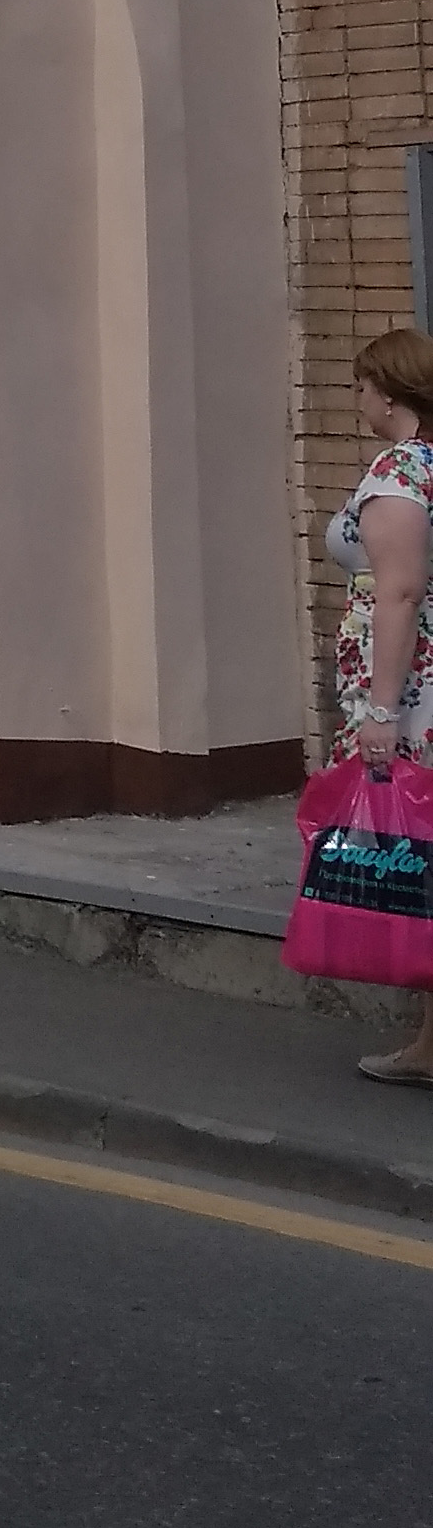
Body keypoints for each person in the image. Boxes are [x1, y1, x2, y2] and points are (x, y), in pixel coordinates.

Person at [326, 330, 433, 1085]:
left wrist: (383, 712)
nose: (358, 400)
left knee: (421, 861)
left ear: (388, 394)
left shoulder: (400, 472)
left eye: (362, 387)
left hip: (416, 699)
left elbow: (398, 593)